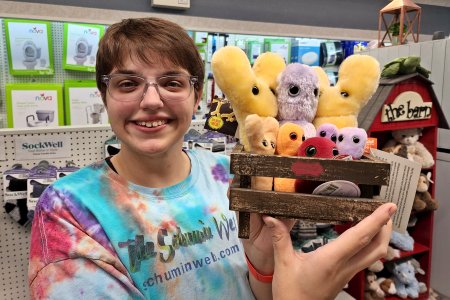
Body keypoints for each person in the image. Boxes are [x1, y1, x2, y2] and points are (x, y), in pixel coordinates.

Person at [28, 17, 395, 300]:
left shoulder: (230, 174)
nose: (151, 100)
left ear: (196, 93)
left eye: (172, 82)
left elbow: (259, 288)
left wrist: (268, 269)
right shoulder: (69, 210)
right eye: (128, 83)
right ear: (103, 95)